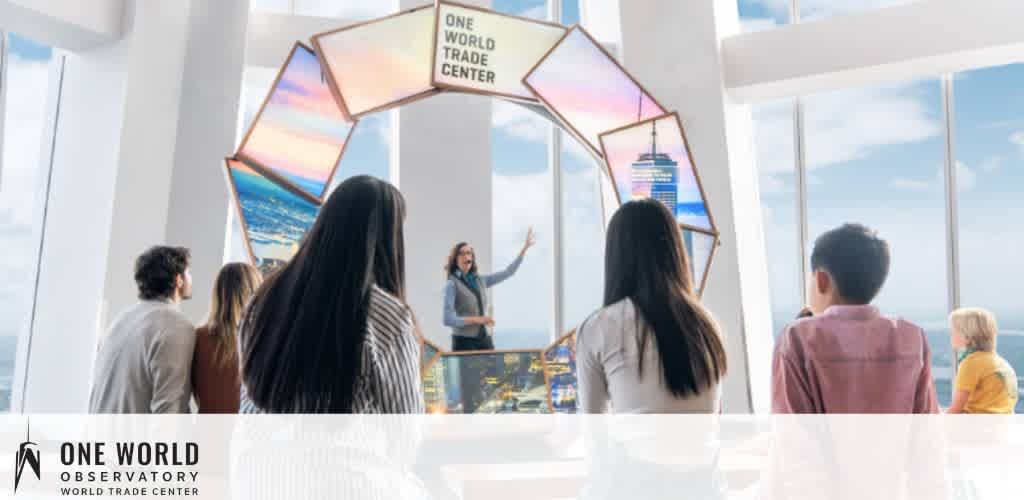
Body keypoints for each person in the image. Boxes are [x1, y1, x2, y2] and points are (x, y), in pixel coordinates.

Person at [238, 175, 423, 413]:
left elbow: (247, 396)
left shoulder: (262, 300)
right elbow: (404, 430)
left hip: (254, 448)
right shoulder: (386, 315)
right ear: (387, 238)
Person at [577, 199, 727, 413]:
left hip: (633, 448)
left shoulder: (599, 328)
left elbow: (594, 432)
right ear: (675, 251)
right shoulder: (706, 324)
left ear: (615, 255)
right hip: (702, 447)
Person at [772, 223, 939, 413]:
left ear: (821, 279)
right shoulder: (912, 336)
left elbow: (791, 431)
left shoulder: (796, 337)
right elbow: (926, 426)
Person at [89, 246, 195, 413]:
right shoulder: (176, 327)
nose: (191, 278)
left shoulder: (122, 319)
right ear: (178, 280)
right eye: (188, 272)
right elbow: (168, 409)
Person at [443, 228, 535, 351]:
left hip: (484, 339)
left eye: (469, 253)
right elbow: (447, 319)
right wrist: (477, 320)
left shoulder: (481, 280)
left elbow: (508, 272)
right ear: (455, 259)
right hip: (463, 341)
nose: (466, 256)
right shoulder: (452, 284)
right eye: (462, 253)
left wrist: (525, 248)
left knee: (493, 370)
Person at [192, 262, 262, 413]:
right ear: (255, 292)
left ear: (218, 293)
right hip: (243, 433)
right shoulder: (260, 341)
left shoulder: (197, 337)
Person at [946, 307, 1018, 414]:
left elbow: (956, 409)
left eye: (953, 331)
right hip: (1003, 424)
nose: (950, 335)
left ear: (967, 336)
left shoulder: (971, 363)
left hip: (979, 426)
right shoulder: (1001, 362)